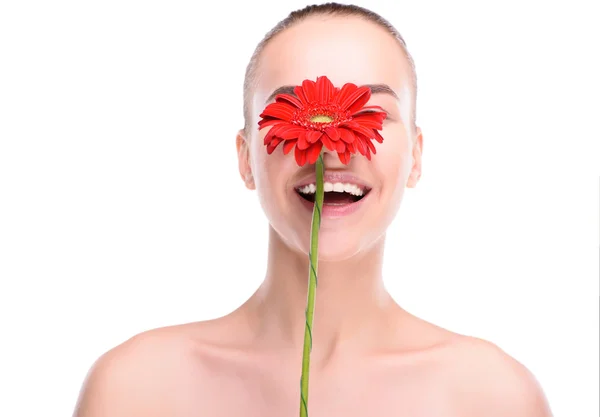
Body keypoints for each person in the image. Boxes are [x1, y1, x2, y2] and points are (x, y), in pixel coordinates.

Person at [73, 3, 553, 416]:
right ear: (245, 159)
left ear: (417, 156)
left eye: (372, 114)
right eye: (288, 108)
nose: (333, 148)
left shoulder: (495, 398)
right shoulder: (134, 391)